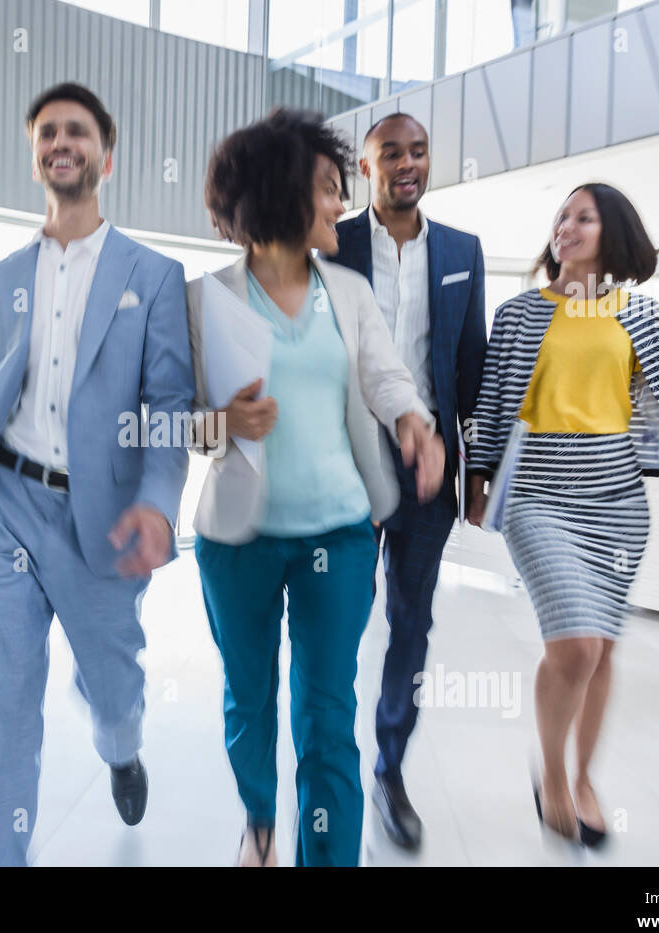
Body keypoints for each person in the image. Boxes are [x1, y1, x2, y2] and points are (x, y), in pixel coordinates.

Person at [187, 109, 446, 867]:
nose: (341, 205)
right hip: (239, 540)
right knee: (249, 700)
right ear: (280, 195)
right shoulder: (206, 300)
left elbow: (387, 374)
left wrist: (414, 423)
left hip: (338, 531)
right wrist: (220, 423)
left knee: (328, 713)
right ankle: (261, 820)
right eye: (330, 189)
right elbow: (165, 422)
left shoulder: (350, 292)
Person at [0, 83, 195, 867]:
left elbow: (168, 404)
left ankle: (120, 744)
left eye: (77, 131)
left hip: (105, 521)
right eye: (49, 132)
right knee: (7, 703)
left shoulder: (153, 275)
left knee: (113, 682)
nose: (62, 141)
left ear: (106, 156)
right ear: (36, 157)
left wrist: (161, 503)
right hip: (5, 511)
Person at [465, 182, 659, 846]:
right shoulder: (517, 314)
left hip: (618, 504)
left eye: (582, 217)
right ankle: (553, 775)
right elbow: (492, 399)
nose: (565, 226)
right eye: (561, 216)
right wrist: (476, 480)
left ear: (611, 232)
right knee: (577, 646)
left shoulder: (641, 314)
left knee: (603, 651)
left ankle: (586, 777)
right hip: (538, 496)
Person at [324, 112, 488, 851]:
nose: (408, 163)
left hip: (430, 471)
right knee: (337, 621)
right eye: (392, 153)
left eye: (419, 150)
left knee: (411, 624)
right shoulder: (333, 243)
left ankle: (390, 768)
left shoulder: (461, 251)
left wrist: (473, 471)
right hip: (345, 463)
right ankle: (331, 768)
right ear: (366, 168)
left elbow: (472, 369)